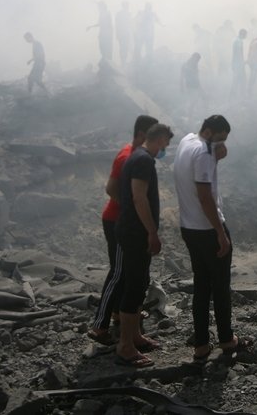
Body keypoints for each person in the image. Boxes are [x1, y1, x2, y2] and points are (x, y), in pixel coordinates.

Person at [173, 115, 251, 363]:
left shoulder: (187, 141)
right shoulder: (205, 153)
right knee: (220, 286)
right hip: (208, 229)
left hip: (189, 227)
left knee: (201, 285)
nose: (220, 145)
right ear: (208, 132)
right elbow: (205, 195)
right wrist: (220, 232)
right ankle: (227, 339)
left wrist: (216, 153)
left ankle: (201, 345)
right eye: (219, 139)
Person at [97, 122, 173, 368]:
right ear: (160, 139)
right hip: (134, 233)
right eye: (167, 143)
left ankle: (135, 337)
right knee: (134, 285)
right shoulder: (143, 160)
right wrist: (152, 232)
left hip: (131, 230)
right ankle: (126, 347)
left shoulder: (137, 156)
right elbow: (139, 198)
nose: (166, 149)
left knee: (138, 284)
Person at [89, 114, 159, 345]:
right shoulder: (127, 156)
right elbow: (111, 188)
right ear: (141, 135)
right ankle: (100, 326)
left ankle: (121, 313)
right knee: (118, 272)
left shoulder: (139, 155)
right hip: (118, 222)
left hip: (128, 223)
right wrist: (131, 210)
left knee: (129, 272)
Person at [230, 29, 247, 97]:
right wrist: (241, 62)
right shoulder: (238, 41)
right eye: (245, 35)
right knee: (238, 80)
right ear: (242, 34)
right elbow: (238, 53)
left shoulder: (237, 40)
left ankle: (236, 95)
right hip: (238, 63)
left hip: (237, 63)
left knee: (239, 79)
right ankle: (236, 96)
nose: (246, 36)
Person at [116, 1, 133, 65]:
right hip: (123, 34)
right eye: (127, 5)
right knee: (123, 48)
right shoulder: (123, 14)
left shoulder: (124, 14)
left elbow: (130, 24)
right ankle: (123, 61)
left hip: (124, 33)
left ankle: (123, 61)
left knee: (123, 48)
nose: (128, 7)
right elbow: (117, 24)